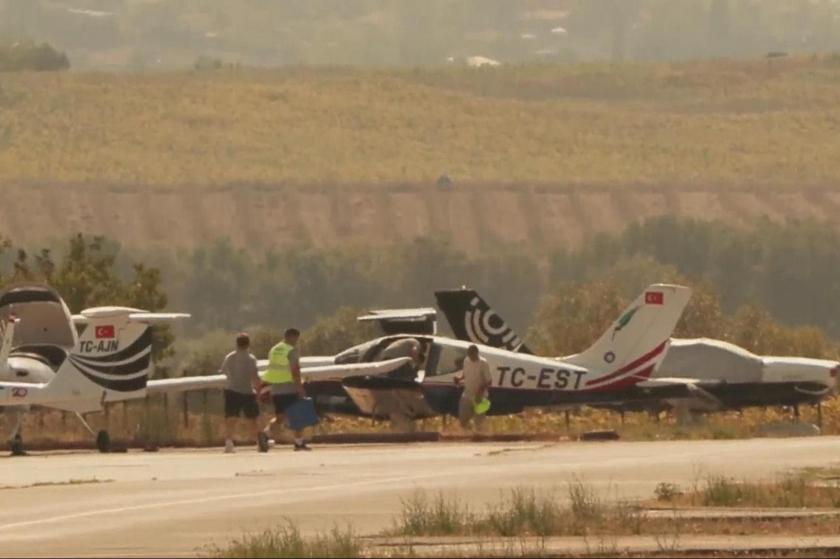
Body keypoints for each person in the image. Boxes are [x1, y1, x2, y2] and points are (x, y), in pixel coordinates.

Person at [259, 328, 311, 451]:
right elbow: (295, 371)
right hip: (289, 387)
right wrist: (300, 388)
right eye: (296, 339)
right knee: (298, 415)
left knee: (280, 417)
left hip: (276, 388)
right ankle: (299, 443)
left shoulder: (274, 349)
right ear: (292, 337)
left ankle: (265, 434)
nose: (296, 342)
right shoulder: (291, 351)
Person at [220, 332, 262, 453]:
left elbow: (224, 372)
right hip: (247, 391)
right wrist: (259, 391)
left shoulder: (230, 357)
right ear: (248, 344)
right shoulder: (251, 358)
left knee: (230, 419)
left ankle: (228, 443)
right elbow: (255, 376)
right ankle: (259, 442)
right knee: (253, 419)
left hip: (232, 390)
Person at [454, 344, 492, 431]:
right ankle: (468, 434)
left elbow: (489, 381)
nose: (471, 356)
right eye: (469, 354)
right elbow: (465, 374)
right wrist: (459, 379)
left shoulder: (483, 363)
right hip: (467, 394)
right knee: (463, 418)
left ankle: (480, 437)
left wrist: (480, 392)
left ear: (477, 353)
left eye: (473, 354)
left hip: (480, 397)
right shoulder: (466, 361)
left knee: (479, 421)